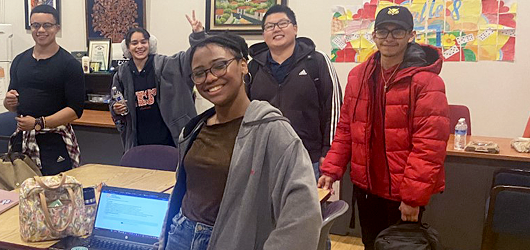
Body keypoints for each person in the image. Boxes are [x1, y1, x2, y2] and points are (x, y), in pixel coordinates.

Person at [159, 33, 321, 250]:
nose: (210, 78)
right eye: (199, 73)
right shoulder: (193, 129)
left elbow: (303, 213)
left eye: (219, 66)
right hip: (181, 234)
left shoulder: (272, 130)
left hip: (231, 240)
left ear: (243, 65)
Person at [318, 6, 449, 249]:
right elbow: (347, 127)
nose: (389, 38)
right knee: (371, 244)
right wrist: (331, 169)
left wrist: (412, 198)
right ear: (374, 35)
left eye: (397, 31)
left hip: (402, 193)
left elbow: (429, 146)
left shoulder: (427, 81)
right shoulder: (359, 76)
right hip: (366, 187)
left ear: (411, 35)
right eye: (383, 31)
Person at [247, 4, 342, 179]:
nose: (276, 29)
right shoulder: (252, 68)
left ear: (295, 28)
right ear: (264, 34)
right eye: (270, 26)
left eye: (282, 23)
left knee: (306, 206)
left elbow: (334, 109)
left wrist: (328, 151)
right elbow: (243, 112)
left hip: (308, 158)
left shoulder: (317, 61)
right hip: (263, 160)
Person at [4, 4, 84, 175]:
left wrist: (39, 123)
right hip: (23, 140)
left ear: (57, 28)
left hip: (55, 142)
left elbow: (75, 110)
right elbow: (13, 106)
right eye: (35, 25)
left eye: (47, 25)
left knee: (56, 195)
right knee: (22, 192)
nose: (40, 30)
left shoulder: (69, 65)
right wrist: (8, 101)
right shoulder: (19, 61)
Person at [109, 11, 205, 151]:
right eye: (134, 43)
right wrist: (116, 108)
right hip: (138, 139)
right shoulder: (122, 73)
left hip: (169, 138)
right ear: (128, 48)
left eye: (143, 42)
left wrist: (198, 35)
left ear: (150, 44)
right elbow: (113, 100)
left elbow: (191, 58)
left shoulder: (166, 64)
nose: (140, 46)